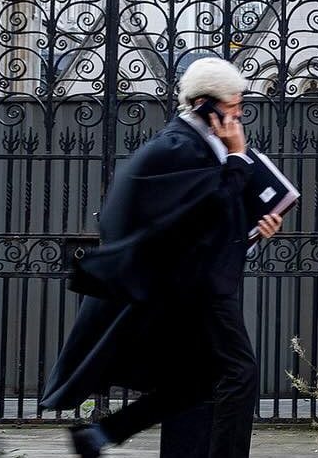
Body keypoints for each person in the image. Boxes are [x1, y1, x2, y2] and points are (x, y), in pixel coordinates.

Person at [41, 57, 284, 458]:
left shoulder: (199, 145)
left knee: (195, 383)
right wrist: (239, 158)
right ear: (206, 104)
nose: (239, 113)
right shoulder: (178, 147)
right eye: (233, 104)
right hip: (197, 290)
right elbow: (209, 208)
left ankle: (98, 436)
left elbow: (204, 223)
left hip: (194, 285)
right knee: (238, 374)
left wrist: (253, 232)